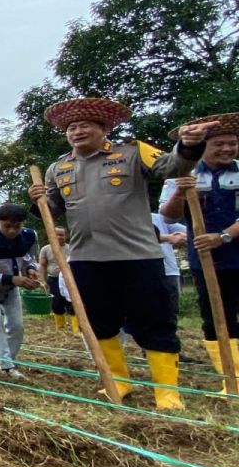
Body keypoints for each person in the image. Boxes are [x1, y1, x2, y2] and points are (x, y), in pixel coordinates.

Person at [28, 98, 210, 410]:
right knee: (99, 323)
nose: (77, 131)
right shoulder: (59, 168)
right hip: (87, 259)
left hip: (137, 256)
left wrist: (188, 146)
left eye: (85, 125)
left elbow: (172, 166)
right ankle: (118, 382)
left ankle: (167, 391)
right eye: (71, 127)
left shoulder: (131, 152)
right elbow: (53, 210)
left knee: (154, 321)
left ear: (105, 128)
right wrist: (38, 202)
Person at [159, 112, 239, 394]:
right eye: (219, 144)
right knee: (217, 317)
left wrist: (224, 236)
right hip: (205, 260)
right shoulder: (182, 174)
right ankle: (232, 379)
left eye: (232, 143)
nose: (227, 149)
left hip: (230, 250)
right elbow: (168, 216)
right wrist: (180, 192)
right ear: (202, 146)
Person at [0, 204, 41, 380]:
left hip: (12, 289)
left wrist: (30, 269)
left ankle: (9, 362)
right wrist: (12, 279)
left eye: (17, 226)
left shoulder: (30, 237)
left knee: (17, 326)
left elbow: (31, 258)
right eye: (7, 226)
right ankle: (6, 365)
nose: (12, 231)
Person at [38, 227, 76, 334]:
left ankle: (76, 329)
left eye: (61, 235)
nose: (59, 237)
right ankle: (60, 328)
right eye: (56, 234)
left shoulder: (72, 248)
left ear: (66, 236)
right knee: (57, 303)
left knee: (73, 303)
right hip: (53, 279)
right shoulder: (46, 249)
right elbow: (42, 265)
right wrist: (42, 280)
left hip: (70, 280)